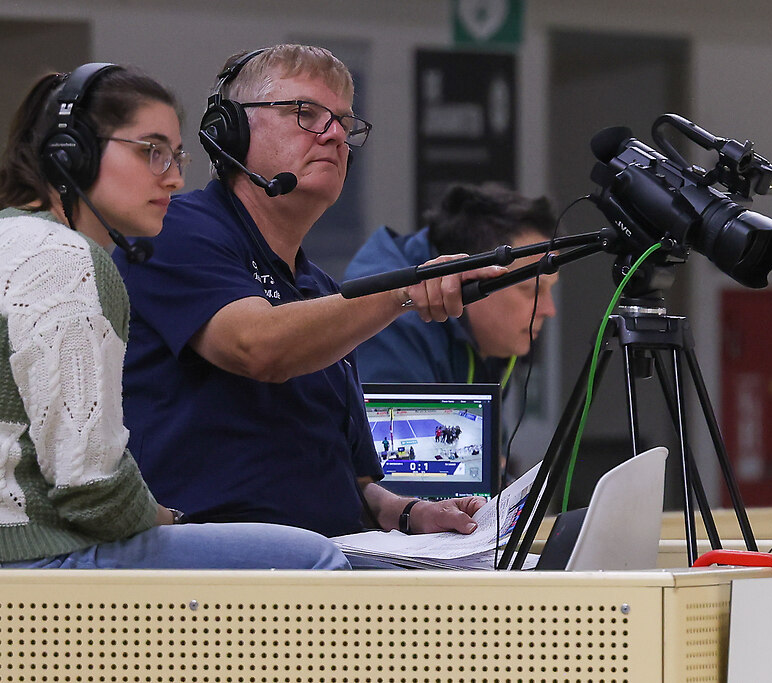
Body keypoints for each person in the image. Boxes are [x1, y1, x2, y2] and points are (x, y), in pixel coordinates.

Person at [0, 63, 347, 570]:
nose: (175, 177)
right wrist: (175, 521)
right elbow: (93, 492)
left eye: (176, 156)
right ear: (72, 152)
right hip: (10, 568)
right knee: (313, 559)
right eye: (151, 152)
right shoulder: (63, 260)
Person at [117, 45, 505, 542]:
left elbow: (352, 482)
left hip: (325, 558)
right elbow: (257, 346)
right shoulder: (172, 230)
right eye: (305, 112)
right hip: (212, 559)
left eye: (344, 121)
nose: (335, 134)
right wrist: (401, 291)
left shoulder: (319, 289)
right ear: (229, 131)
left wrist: (410, 513)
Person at [345, 183, 560, 388]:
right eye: (532, 289)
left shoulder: (491, 335)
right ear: (472, 277)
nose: (549, 310)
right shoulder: (391, 324)